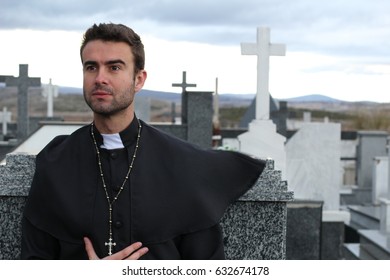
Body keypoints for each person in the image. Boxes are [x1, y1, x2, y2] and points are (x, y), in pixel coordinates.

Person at [21, 23, 265, 260]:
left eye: (114, 67)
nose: (100, 78)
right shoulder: (55, 162)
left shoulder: (182, 164)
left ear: (139, 80)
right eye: (91, 67)